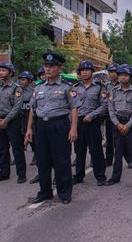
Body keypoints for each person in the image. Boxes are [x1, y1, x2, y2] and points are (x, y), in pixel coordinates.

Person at [25, 52, 78, 204]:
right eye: (46, 66)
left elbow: (74, 108)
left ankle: (64, 193)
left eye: (51, 66)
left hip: (59, 125)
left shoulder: (68, 87)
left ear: (59, 68)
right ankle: (45, 191)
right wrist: (29, 129)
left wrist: (73, 129)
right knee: (43, 161)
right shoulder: (38, 88)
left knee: (61, 160)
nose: (47, 69)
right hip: (41, 126)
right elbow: (32, 109)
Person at [106, 64, 132, 186]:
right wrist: (117, 124)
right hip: (117, 124)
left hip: (130, 125)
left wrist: (128, 125)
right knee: (118, 153)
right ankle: (115, 177)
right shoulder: (113, 92)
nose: (123, 77)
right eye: (121, 75)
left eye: (126, 75)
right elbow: (110, 110)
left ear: (130, 77)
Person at [72, 60, 108, 186]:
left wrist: (92, 115)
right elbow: (71, 107)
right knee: (79, 150)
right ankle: (79, 175)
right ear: (80, 73)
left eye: (87, 70)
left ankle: (100, 176)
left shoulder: (99, 88)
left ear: (92, 72)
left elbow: (104, 105)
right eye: (82, 70)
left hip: (92, 122)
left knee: (96, 150)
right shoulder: (75, 88)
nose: (85, 72)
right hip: (79, 122)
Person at [0, 62, 26, 183]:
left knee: (17, 148)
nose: (1, 72)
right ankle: (4, 172)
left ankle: (21, 174)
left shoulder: (16, 88)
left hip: (13, 121)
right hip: (0, 121)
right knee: (2, 149)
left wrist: (6, 120)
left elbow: (17, 107)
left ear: (10, 73)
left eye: (4, 70)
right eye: (0, 70)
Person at [18, 71, 36, 165]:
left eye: (24, 80)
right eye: (20, 79)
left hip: (31, 117)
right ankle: (19, 157)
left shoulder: (33, 91)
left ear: (29, 81)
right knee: (20, 137)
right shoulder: (18, 90)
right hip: (21, 117)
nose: (21, 81)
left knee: (32, 137)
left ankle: (36, 155)